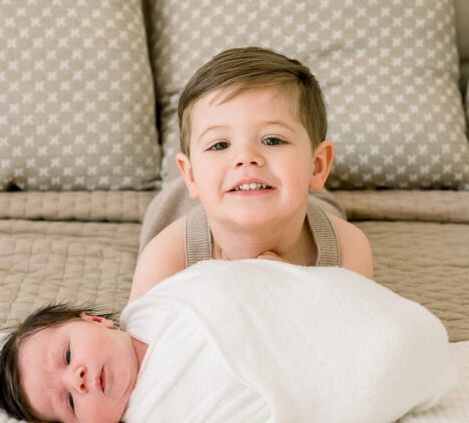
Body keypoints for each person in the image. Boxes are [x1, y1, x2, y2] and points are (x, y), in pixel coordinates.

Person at [0, 259, 457, 423]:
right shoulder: (160, 416)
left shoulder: (160, 302)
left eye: (67, 357)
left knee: (379, 325)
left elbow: (241, 286)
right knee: (381, 364)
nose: (79, 380)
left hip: (320, 316)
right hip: (338, 378)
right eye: (69, 403)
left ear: (94, 320)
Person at [129, 47, 373, 302]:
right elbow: (141, 335)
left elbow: (353, 331)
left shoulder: (347, 247)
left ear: (318, 166)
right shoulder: (169, 253)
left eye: (272, 140)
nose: (246, 157)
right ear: (190, 177)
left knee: (317, 200)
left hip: (283, 192)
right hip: (187, 200)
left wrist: (288, 292)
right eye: (219, 145)